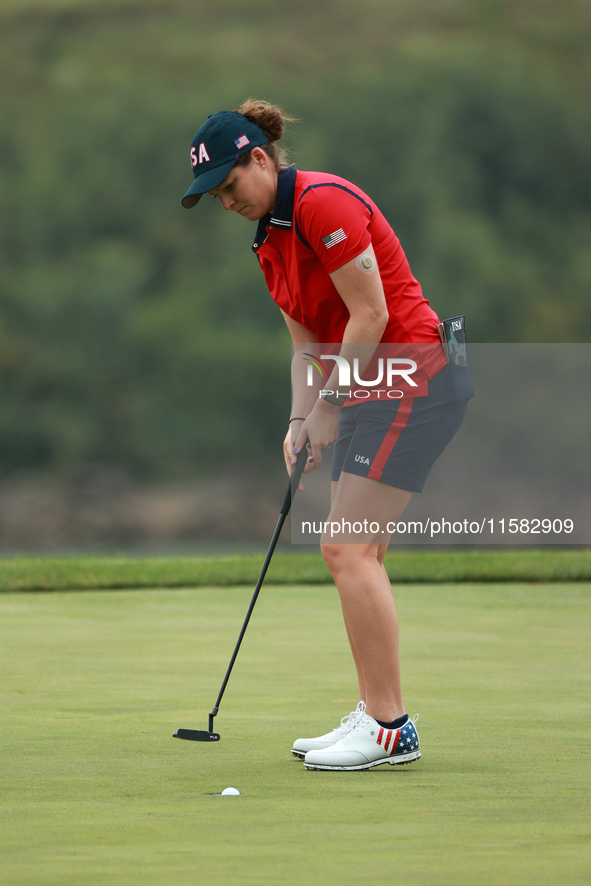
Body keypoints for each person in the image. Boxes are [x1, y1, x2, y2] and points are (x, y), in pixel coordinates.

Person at [181, 100, 474, 771]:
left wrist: (329, 411)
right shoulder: (268, 242)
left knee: (346, 548)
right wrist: (297, 421)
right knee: (353, 549)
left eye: (230, 185)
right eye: (214, 195)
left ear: (261, 158)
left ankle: (388, 726)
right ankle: (378, 714)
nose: (226, 202)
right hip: (376, 385)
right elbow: (306, 349)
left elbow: (369, 315)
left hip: (414, 374)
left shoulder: (321, 203)